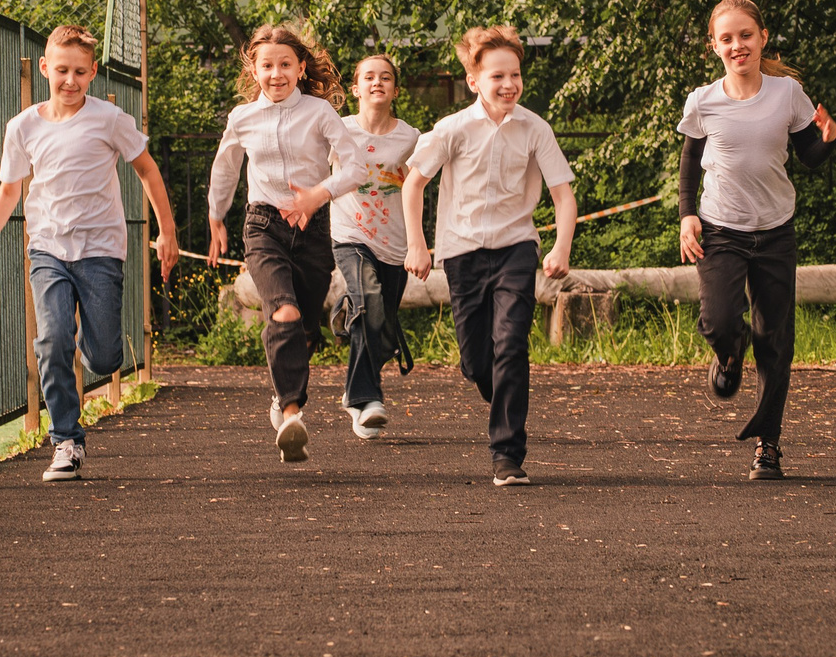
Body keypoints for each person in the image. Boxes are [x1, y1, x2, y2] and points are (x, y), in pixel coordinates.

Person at [0, 24, 180, 483]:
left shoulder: (108, 119)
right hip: (48, 250)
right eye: (62, 71)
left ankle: (89, 342)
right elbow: (9, 191)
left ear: (93, 72)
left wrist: (167, 228)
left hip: (100, 251)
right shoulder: (24, 127)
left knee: (103, 360)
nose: (70, 81)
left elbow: (147, 169)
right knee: (52, 339)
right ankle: (66, 440)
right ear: (44, 69)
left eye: (80, 72)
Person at [401, 25, 577, 486]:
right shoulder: (453, 128)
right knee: (478, 362)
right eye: (497, 76)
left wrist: (560, 246)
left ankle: (507, 454)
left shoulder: (535, 128)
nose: (509, 85)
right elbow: (414, 182)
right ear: (474, 80)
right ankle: (494, 386)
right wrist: (417, 243)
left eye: (515, 75)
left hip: (517, 247)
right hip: (462, 254)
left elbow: (562, 194)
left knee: (512, 346)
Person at [678, 0, 836, 481]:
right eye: (726, 39)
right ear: (714, 47)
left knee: (777, 340)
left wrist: (829, 138)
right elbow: (689, 165)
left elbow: (809, 155)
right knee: (720, 318)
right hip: (721, 227)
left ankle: (769, 446)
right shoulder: (703, 100)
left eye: (745, 35)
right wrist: (687, 216)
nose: (737, 45)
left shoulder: (788, 94)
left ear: (762, 37)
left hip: (774, 232)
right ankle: (729, 352)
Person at [205, 24, 363, 463]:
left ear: (300, 67)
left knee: (305, 330)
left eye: (285, 65)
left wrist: (318, 194)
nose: (276, 74)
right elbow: (225, 168)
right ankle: (292, 413)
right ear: (253, 70)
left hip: (312, 227)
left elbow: (354, 168)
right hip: (264, 225)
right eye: (267, 65)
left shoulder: (319, 112)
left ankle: (281, 395)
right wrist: (217, 216)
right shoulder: (242, 118)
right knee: (284, 311)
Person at [330, 51, 421, 441]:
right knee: (369, 299)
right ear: (355, 88)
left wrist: (419, 243)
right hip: (350, 234)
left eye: (385, 77)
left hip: (395, 243)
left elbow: (419, 187)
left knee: (380, 325)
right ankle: (368, 400)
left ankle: (345, 315)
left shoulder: (412, 137)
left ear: (395, 90)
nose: (376, 82)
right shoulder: (337, 129)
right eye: (368, 77)